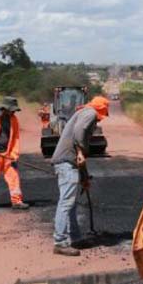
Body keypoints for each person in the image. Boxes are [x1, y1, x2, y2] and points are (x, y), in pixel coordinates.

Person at [49, 95, 109, 256]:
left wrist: (84, 178)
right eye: (103, 115)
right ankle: (60, 242)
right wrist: (82, 150)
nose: (100, 120)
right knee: (66, 203)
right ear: (100, 110)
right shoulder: (89, 113)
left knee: (71, 203)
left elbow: (80, 159)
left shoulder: (83, 113)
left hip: (68, 163)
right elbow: (79, 132)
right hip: (66, 163)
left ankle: (74, 238)